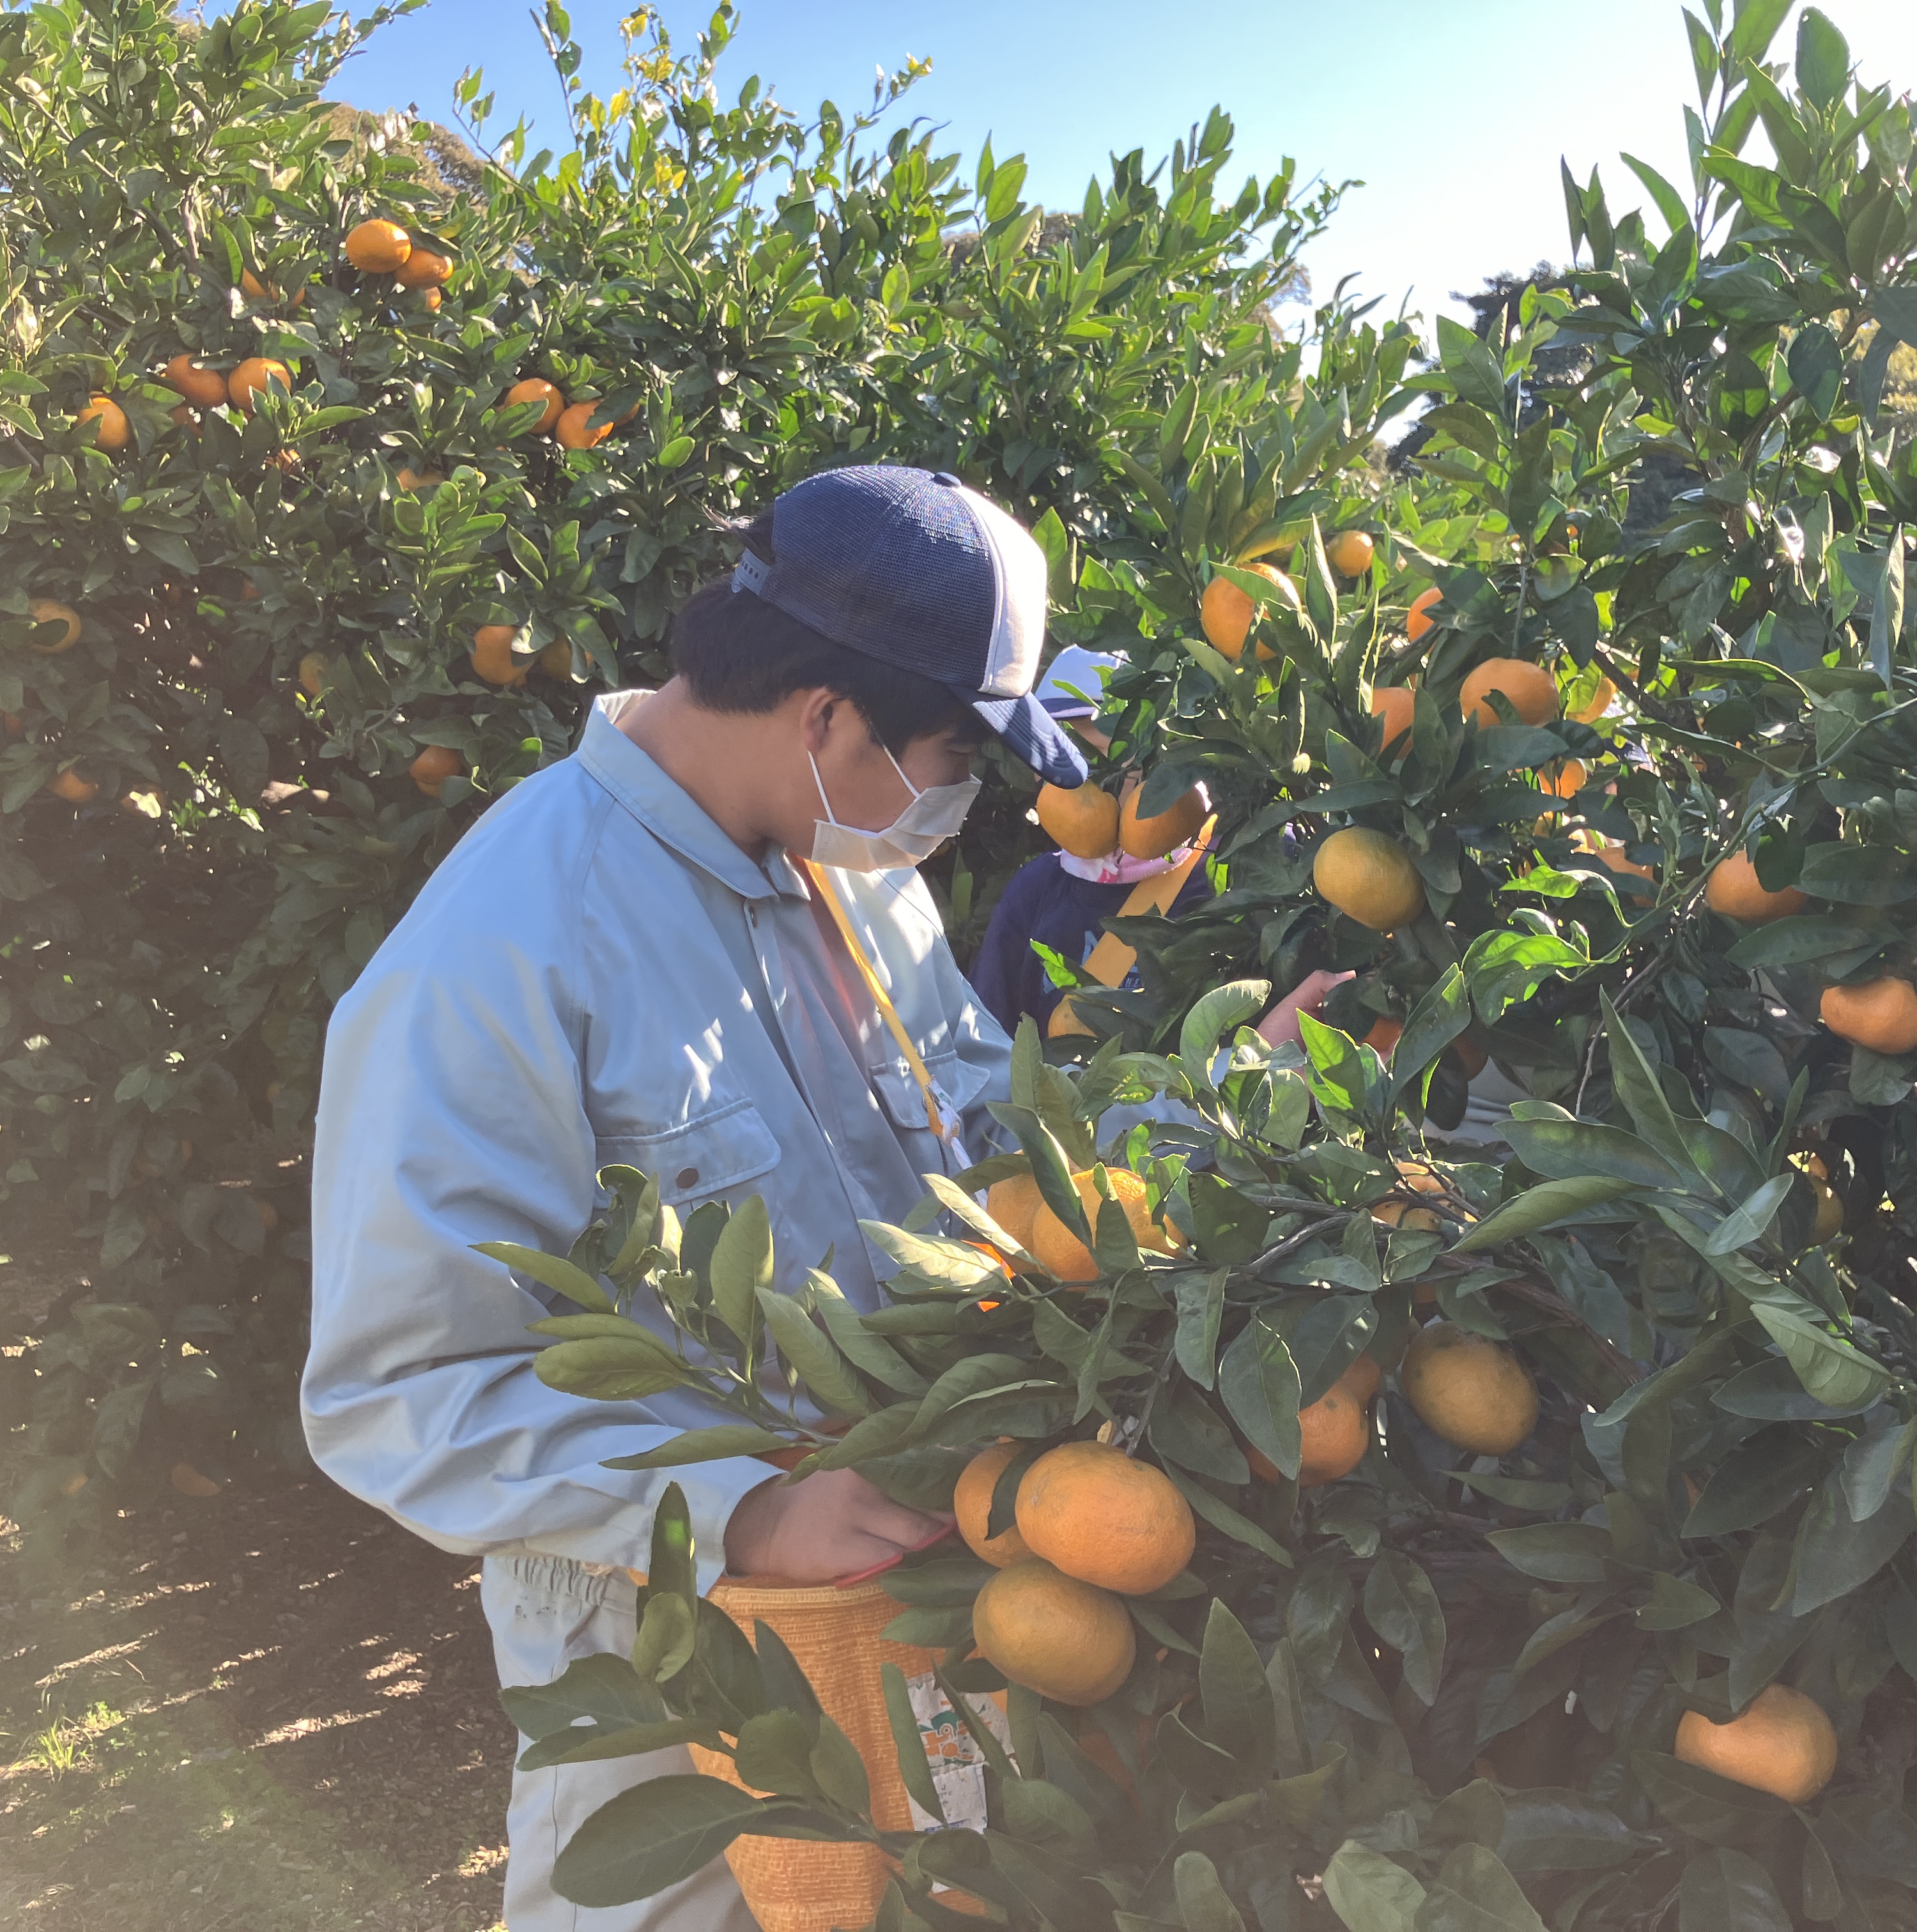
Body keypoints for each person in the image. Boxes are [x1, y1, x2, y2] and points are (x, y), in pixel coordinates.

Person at [302, 466, 1091, 1931]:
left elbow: (982, 1129)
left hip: (915, 1603)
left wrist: (1189, 1117)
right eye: (950, 760)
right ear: (824, 718)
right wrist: (736, 1508)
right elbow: (397, 1389)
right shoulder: (502, 956)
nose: (960, 806)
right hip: (680, 1654)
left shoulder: (856, 877)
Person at [969, 645, 1346, 1045]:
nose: (1076, 783)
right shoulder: (1039, 889)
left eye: (1104, 762)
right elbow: (986, 1042)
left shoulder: (1235, 874)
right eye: (1061, 762)